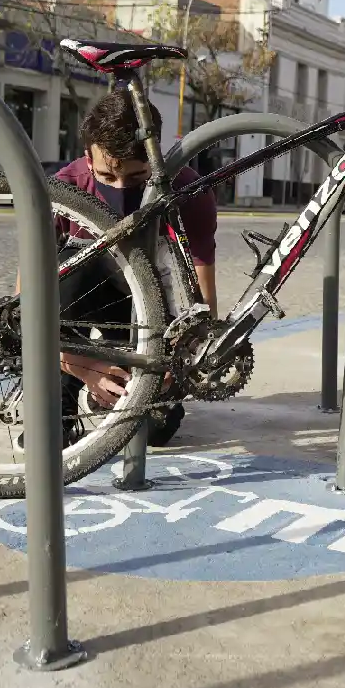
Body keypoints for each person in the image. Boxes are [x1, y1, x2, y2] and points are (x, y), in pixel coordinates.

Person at [50, 86, 218, 447]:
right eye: (107, 178)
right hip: (78, 306)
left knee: (156, 431)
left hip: (148, 307)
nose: (121, 189)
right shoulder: (66, 189)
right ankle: (59, 395)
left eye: (138, 178)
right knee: (70, 269)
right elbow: (24, 308)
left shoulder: (189, 192)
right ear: (88, 158)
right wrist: (81, 365)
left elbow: (204, 301)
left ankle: (119, 388)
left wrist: (180, 358)